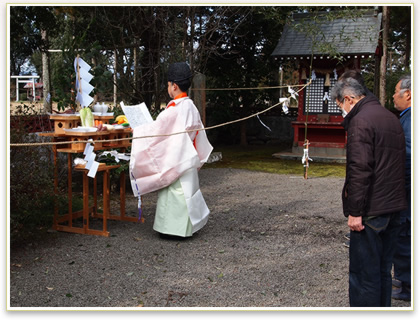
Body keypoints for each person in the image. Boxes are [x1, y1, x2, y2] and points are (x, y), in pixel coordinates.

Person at [331, 76, 407, 307]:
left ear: (348, 99)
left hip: (372, 210)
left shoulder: (361, 121)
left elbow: (360, 169)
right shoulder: (390, 117)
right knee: (383, 271)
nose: (341, 111)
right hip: (394, 206)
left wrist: (355, 211)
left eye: (340, 106)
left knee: (364, 274)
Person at [129, 62, 213, 238]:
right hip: (187, 158)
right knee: (186, 193)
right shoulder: (190, 106)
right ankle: (189, 228)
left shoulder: (174, 109)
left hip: (176, 158)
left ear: (173, 85)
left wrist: (137, 130)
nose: (168, 88)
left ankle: (171, 230)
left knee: (175, 194)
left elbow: (156, 131)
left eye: (168, 85)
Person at [391, 74, 411, 301]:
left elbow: (408, 158)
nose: (394, 96)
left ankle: (408, 285)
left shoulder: (409, 120)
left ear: (408, 94)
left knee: (404, 234)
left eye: (396, 92)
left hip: (407, 189)